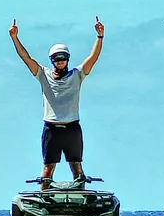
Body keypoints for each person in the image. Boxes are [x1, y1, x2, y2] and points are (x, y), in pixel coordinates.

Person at [9, 18, 103, 185]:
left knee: (77, 168)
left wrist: (100, 36)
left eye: (63, 57)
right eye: (57, 58)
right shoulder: (43, 74)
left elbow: (93, 58)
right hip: (51, 129)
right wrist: (15, 38)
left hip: (72, 128)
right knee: (47, 169)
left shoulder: (77, 75)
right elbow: (26, 58)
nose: (60, 61)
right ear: (52, 60)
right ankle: (44, 200)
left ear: (68, 59)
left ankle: (80, 199)